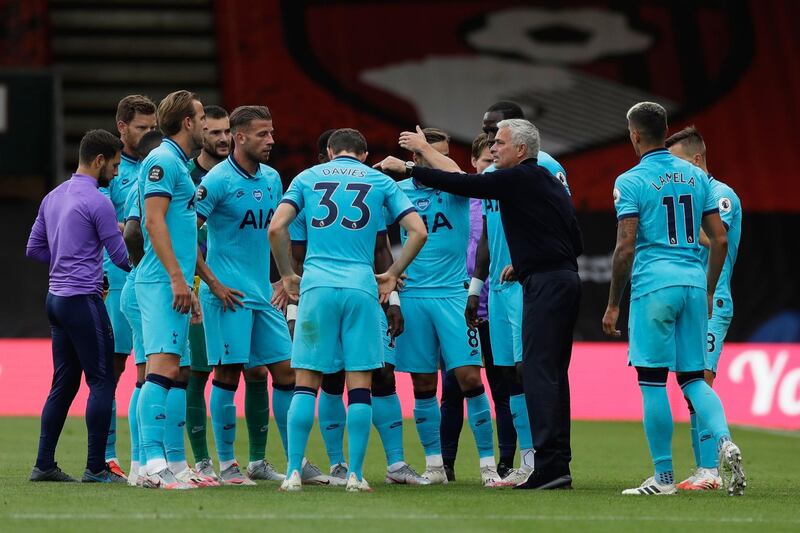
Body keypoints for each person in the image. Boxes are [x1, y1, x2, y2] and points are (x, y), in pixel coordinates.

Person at [376, 118, 582, 490]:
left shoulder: (518, 177)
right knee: (542, 373)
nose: (491, 150)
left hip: (511, 288)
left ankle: (536, 464)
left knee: (531, 374)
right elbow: (575, 237)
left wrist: (413, 159)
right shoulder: (539, 181)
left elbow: (462, 181)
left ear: (520, 149)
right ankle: (551, 464)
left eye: (499, 143)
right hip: (538, 280)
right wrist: (530, 263)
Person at [269, 128, 427, 492]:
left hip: (317, 286)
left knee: (307, 383)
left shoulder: (308, 176)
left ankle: (294, 472)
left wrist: (288, 276)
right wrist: (392, 275)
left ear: (328, 151)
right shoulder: (379, 180)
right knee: (360, 385)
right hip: (360, 286)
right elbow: (417, 231)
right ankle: (355, 476)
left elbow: (277, 227)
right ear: (365, 152)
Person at [602, 102, 745, 496]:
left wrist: (614, 302)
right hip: (694, 284)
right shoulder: (697, 178)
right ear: (665, 130)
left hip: (654, 287)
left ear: (633, 135)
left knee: (652, 382)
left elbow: (625, 246)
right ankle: (725, 440)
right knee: (694, 379)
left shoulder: (630, 180)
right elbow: (718, 238)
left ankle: (663, 478)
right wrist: (710, 283)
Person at [388, 127, 501, 486]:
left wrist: (423, 149)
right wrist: (391, 283)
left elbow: (456, 173)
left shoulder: (456, 189)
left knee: (470, 378)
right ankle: (435, 466)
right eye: (433, 153)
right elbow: (376, 240)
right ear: (415, 160)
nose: (444, 159)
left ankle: (487, 466)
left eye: (445, 153)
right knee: (422, 384)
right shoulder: (397, 190)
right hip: (413, 296)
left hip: (452, 294)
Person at [470, 102, 571, 485]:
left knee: (530, 371)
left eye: (495, 132)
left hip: (526, 284)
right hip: (497, 287)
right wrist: (477, 289)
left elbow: (563, 221)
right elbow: (486, 237)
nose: (489, 140)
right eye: (487, 133)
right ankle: (528, 460)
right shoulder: (496, 172)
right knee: (508, 376)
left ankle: (547, 459)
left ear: (516, 134)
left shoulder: (544, 167)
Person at [193, 105, 294, 485]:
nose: (271, 140)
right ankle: (228, 466)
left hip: (263, 294)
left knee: (286, 373)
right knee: (228, 375)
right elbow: (189, 236)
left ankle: (291, 460)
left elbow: (279, 232)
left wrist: (284, 277)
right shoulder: (217, 181)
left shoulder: (272, 178)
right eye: (262, 134)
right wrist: (213, 284)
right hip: (227, 295)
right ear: (239, 137)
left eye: (272, 133)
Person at [26, 129, 130, 483]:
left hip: (55, 300)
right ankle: (97, 468)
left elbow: (34, 249)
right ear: (99, 161)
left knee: (64, 384)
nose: (116, 173)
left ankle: (44, 465)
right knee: (102, 381)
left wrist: (69, 256)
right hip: (83, 299)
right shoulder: (99, 201)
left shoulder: (53, 196)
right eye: (114, 165)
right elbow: (121, 257)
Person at [665, 126, 743, 491]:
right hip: (692, 298)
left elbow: (715, 240)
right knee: (691, 381)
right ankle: (704, 468)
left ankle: (710, 471)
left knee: (702, 380)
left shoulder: (719, 194)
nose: (674, 171)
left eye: (679, 162)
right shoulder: (692, 195)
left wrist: (672, 226)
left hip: (714, 298)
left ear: (697, 160)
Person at [135, 90, 206, 490]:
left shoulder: (176, 163)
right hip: (161, 281)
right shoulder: (163, 160)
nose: (204, 123)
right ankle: (151, 464)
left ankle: (163, 463)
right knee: (160, 372)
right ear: (188, 123)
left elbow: (179, 231)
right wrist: (178, 279)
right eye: (200, 116)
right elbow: (154, 222)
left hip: (172, 280)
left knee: (169, 370)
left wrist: (189, 285)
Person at [439, 132, 515, 482]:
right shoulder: (459, 195)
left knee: (503, 389)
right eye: (485, 163)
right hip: (459, 305)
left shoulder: (504, 198)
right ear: (473, 164)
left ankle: (506, 463)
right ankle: (446, 465)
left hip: (497, 304)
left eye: (495, 163)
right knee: (454, 388)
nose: (490, 171)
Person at [100, 95, 157, 479]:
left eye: (153, 126)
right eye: (141, 127)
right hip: (118, 281)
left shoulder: (161, 164)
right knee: (113, 368)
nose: (149, 133)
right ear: (122, 127)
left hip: (152, 279)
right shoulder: (111, 170)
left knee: (153, 368)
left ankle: (144, 458)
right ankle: (106, 455)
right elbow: (101, 220)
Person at [184, 104, 232, 481]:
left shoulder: (252, 176)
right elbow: (184, 235)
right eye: (213, 132)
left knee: (257, 371)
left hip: (241, 288)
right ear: (200, 133)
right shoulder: (186, 176)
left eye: (226, 131)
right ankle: (201, 459)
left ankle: (255, 461)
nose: (222, 138)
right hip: (201, 286)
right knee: (198, 371)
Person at [120, 129, 163, 486]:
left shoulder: (142, 179)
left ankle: (140, 465)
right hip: (147, 284)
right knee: (154, 375)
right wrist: (141, 268)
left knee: (146, 375)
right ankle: (146, 463)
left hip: (139, 284)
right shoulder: (153, 177)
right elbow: (132, 231)